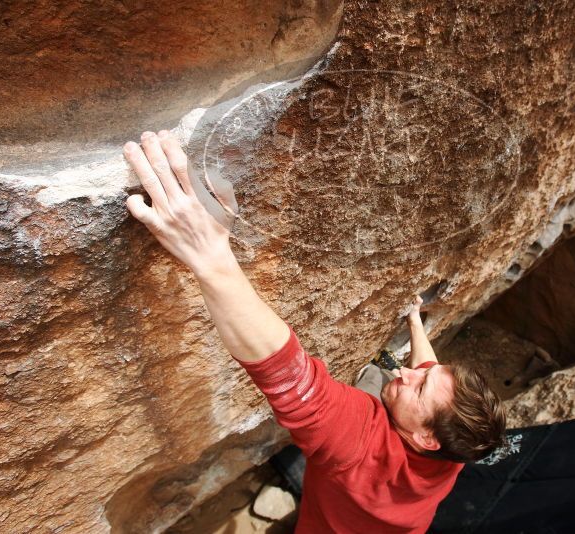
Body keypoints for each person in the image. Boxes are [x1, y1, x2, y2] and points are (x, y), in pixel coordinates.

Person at [123, 130, 507, 533]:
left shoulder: (362, 448)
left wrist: (209, 255)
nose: (407, 373)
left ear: (426, 439)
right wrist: (413, 319)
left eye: (419, 388)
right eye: (425, 372)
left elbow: (292, 379)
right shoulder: (459, 447)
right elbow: (429, 371)